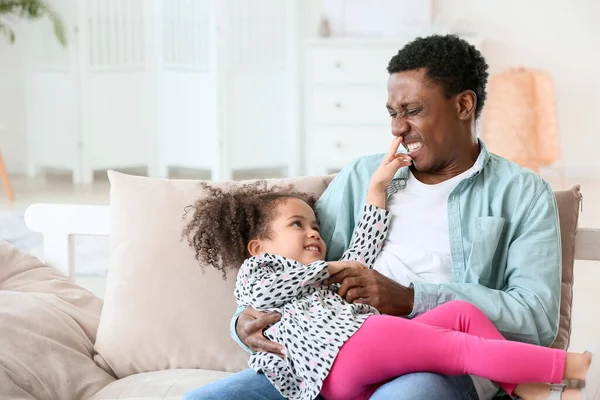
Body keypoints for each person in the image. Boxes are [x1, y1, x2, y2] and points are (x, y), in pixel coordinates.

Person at [184, 34, 564, 399]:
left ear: (464, 105)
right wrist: (243, 323)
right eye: (393, 113)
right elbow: (294, 263)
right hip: (328, 352)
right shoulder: (364, 177)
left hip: (435, 364)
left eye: (413, 111)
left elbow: (536, 319)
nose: (398, 128)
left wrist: (412, 299)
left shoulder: (523, 194)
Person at [179, 170, 597, 400]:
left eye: (315, 225)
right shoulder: (264, 271)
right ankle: (563, 370)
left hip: (357, 353)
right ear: (258, 246)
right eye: (297, 225)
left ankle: (526, 388)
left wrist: (378, 191)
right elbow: (265, 298)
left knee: (462, 316)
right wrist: (329, 268)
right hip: (340, 354)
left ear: (464, 105)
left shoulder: (520, 190)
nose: (314, 233)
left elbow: (362, 246)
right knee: (456, 346)